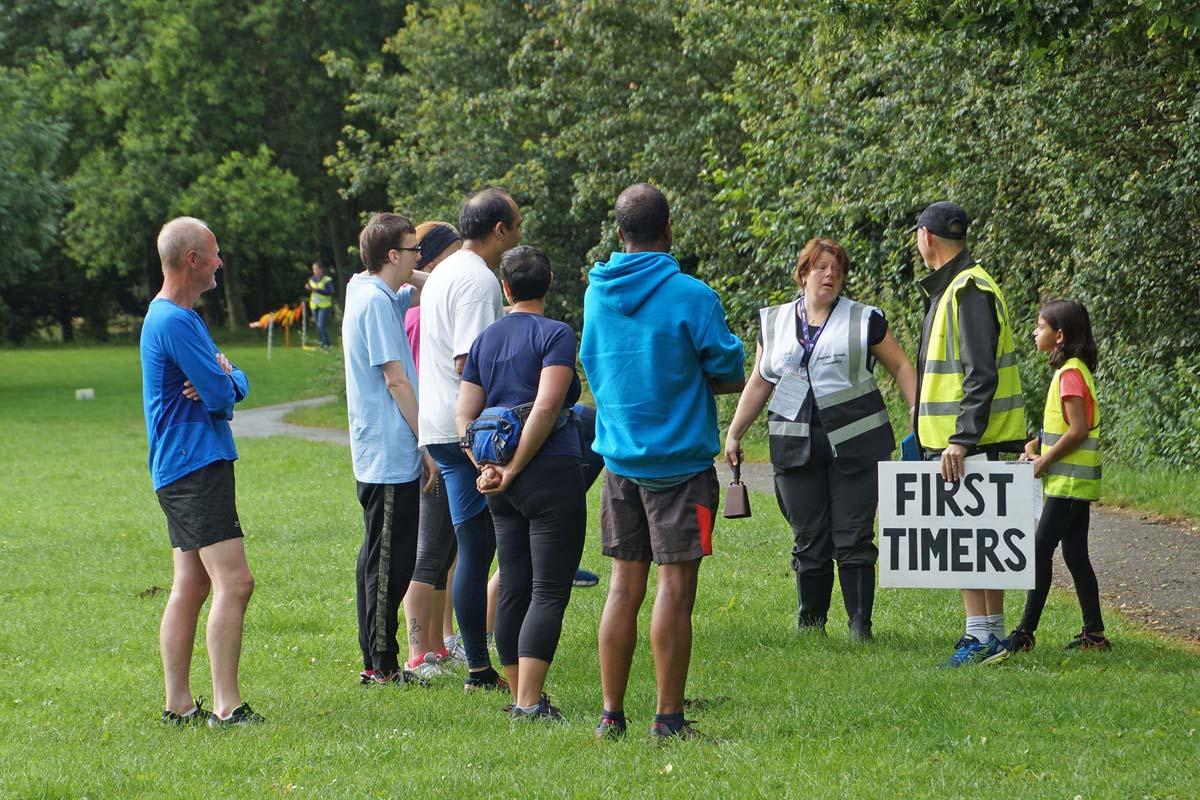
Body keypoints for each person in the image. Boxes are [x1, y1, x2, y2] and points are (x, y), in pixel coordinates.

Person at [580, 183, 745, 740]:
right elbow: (728, 368)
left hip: (620, 464)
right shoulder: (692, 295)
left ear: (619, 232)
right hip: (682, 470)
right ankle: (668, 718)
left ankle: (611, 715)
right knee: (676, 587)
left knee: (623, 587)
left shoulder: (596, 294)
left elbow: (593, 366)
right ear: (668, 229)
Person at [724, 238, 916, 641]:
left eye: (837, 269)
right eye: (821, 267)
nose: (829, 275)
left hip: (858, 442)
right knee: (808, 537)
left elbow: (899, 364)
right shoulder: (774, 321)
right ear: (803, 273)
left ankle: (860, 627)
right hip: (793, 444)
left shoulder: (865, 318)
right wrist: (736, 431)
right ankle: (811, 627)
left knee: (853, 535)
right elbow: (761, 380)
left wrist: (917, 408)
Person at [140, 216, 262, 727]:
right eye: (214, 253)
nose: (220, 261)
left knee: (191, 584)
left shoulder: (178, 316)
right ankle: (227, 707)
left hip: (184, 464)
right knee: (235, 582)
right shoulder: (174, 321)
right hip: (194, 467)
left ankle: (178, 704)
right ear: (193, 260)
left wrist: (228, 377)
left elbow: (227, 382)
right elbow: (219, 390)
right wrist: (226, 378)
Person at [457, 245, 586, 720]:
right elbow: (549, 406)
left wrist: (486, 467)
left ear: (505, 287)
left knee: (513, 584)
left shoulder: (484, 341)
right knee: (549, 589)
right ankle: (529, 704)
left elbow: (463, 417)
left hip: (499, 485)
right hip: (550, 471)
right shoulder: (555, 334)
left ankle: (519, 695)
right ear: (549, 282)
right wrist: (515, 467)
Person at [911, 201, 1027, 668]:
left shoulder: (966, 289)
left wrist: (961, 437)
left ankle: (979, 637)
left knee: (971, 544)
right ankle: (990, 635)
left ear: (927, 238)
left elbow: (980, 373)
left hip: (968, 443)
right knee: (978, 542)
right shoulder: (961, 286)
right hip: (966, 440)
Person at [418, 188, 522, 692]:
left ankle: (484, 659)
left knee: (473, 544)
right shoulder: (479, 280)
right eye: (516, 225)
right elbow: (471, 363)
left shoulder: (442, 273)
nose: (519, 234)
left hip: (438, 426)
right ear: (499, 229)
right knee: (477, 547)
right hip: (463, 433)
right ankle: (480, 668)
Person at [342, 212, 432, 685]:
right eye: (413, 248)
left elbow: (423, 282)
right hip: (389, 452)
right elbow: (396, 379)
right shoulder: (375, 304)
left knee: (380, 554)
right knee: (388, 561)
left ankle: (378, 658)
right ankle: (380, 664)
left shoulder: (368, 289)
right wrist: (425, 443)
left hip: (381, 450)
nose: (420, 257)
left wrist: (407, 264)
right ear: (392, 255)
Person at [1009, 300, 1109, 652]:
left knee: (1038, 550)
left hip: (1067, 484)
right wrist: (1037, 444)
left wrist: (1043, 462)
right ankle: (1094, 634)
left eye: (1040, 326)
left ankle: (1024, 633)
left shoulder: (1069, 374)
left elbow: (1078, 429)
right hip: (1073, 483)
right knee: (1076, 555)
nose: (1035, 332)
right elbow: (1064, 426)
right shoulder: (1073, 370)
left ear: (1060, 335)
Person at [401, 221, 467, 674]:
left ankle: (441, 643)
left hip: (432, 438)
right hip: (434, 443)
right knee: (430, 551)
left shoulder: (418, 312)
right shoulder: (424, 318)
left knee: (446, 549)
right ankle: (417, 651)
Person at [305, 261, 335, 349]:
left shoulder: (327, 280)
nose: (315, 271)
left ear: (321, 269)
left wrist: (317, 290)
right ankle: (322, 343)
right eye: (313, 269)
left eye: (316, 269)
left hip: (325, 306)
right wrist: (308, 287)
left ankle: (326, 344)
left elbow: (330, 291)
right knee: (318, 326)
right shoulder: (312, 279)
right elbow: (311, 289)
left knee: (321, 324)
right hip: (314, 305)